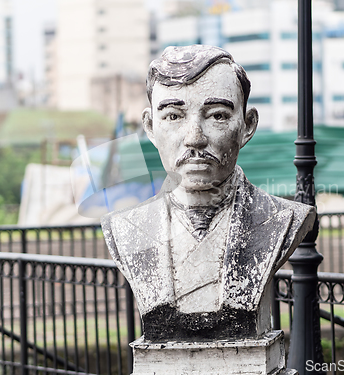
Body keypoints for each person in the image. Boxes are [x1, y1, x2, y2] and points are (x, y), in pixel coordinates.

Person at [101, 45, 316, 341]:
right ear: (150, 127)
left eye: (216, 115)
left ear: (247, 125)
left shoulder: (282, 219)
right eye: (174, 116)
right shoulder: (125, 229)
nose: (195, 138)